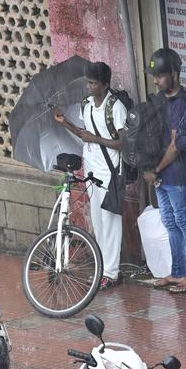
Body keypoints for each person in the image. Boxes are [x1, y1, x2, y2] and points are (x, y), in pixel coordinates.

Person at [51, 61, 127, 290]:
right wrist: (66, 124)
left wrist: (96, 140)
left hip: (111, 171)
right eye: (88, 82)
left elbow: (123, 143)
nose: (89, 87)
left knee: (110, 222)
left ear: (105, 84)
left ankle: (112, 273)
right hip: (92, 169)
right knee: (98, 222)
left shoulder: (116, 106)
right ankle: (102, 268)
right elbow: (85, 134)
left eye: (93, 83)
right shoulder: (86, 105)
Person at [141, 48, 186, 294]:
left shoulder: (180, 104)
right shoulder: (159, 101)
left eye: (161, 76)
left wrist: (155, 169)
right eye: (154, 76)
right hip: (161, 174)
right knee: (169, 221)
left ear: (175, 74)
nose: (156, 81)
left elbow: (176, 145)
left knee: (183, 221)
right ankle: (177, 272)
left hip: (176, 173)